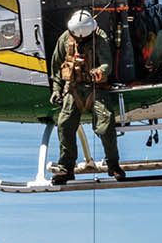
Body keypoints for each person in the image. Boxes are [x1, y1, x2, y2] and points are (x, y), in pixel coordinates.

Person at [49, 9, 125, 184]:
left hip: (96, 89)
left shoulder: (100, 38)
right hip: (73, 89)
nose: (80, 40)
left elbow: (107, 63)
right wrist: (56, 89)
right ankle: (66, 168)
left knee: (105, 125)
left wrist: (100, 71)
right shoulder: (64, 40)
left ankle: (113, 165)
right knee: (64, 124)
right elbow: (56, 68)